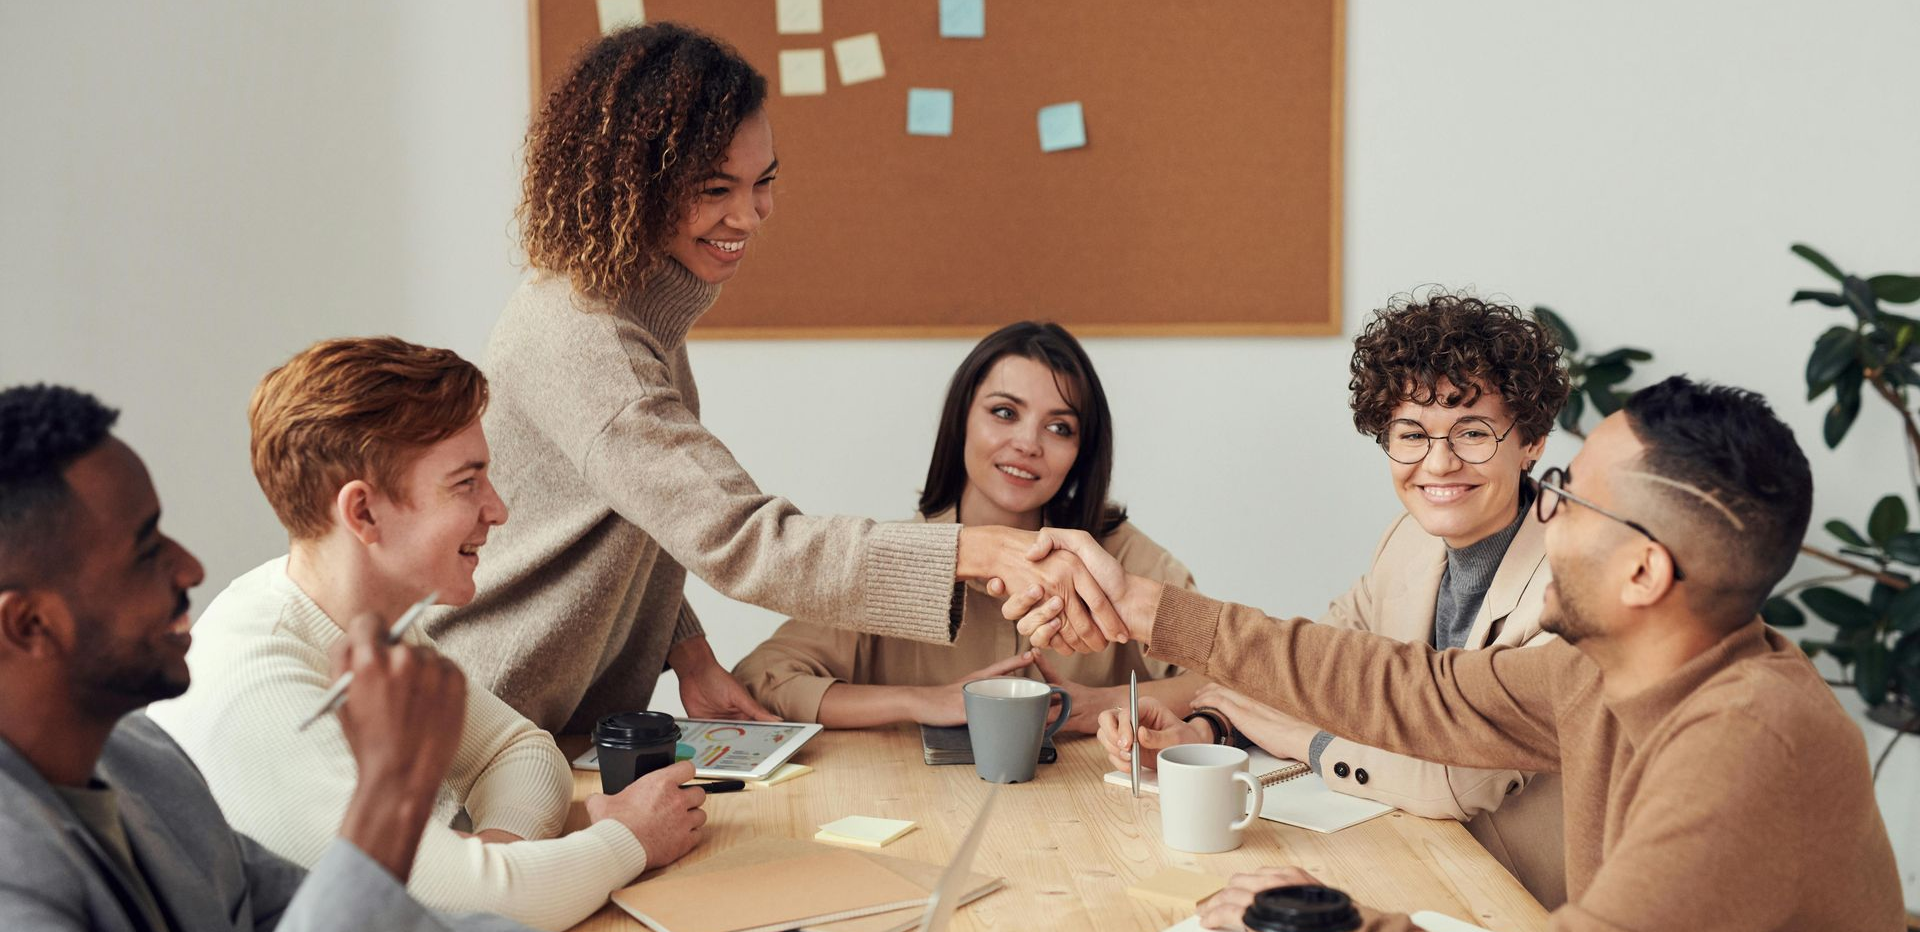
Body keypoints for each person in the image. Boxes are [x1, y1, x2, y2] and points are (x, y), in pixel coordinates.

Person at [427, 23, 1122, 735]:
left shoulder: (633, 310)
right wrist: (971, 550)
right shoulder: (591, 339)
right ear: (632, 186)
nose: (749, 215)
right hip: (484, 722)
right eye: (714, 188)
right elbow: (744, 538)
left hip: (551, 726)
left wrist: (688, 653)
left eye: (764, 183)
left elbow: (644, 515)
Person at [1015, 376, 1905, 931]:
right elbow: (1411, 690)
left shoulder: (1749, 742)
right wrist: (1143, 607)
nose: (1541, 512)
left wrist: (1348, 925)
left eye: (1564, 496)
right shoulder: (1602, 670)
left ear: (1643, 569)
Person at [146, 339, 706, 931]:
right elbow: (463, 905)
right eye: (466, 484)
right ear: (362, 514)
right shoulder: (260, 685)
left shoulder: (364, 618)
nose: (498, 510)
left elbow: (521, 751)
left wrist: (495, 859)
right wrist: (627, 838)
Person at [0, 383, 531, 932]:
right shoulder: (13, 885)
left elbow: (333, 915)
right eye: (145, 550)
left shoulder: (147, 760)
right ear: (30, 625)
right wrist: (391, 793)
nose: (190, 570)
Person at [1096, 293, 1570, 905]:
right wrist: (1207, 729)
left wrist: (1306, 742)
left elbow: (1458, 781)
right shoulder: (1407, 542)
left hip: (1524, 900)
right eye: (1411, 434)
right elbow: (1314, 669)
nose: (1439, 462)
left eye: (1472, 432)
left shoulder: (1572, 583)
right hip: (1414, 863)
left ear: (1531, 440)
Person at [733, 322, 1199, 731]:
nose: (1027, 444)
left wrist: (1107, 704)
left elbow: (1233, 677)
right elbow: (762, 679)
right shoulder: (895, 559)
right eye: (1004, 413)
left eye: (1059, 428)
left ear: (1082, 453)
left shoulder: (1120, 557)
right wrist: (922, 701)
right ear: (961, 421)